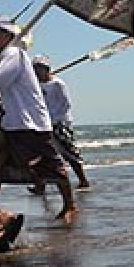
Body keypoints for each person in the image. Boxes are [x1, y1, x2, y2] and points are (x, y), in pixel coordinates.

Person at [0, 14, 77, 221]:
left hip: (31, 124)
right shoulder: (8, 55)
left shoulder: (14, 53)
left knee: (52, 166)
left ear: (6, 34)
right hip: (13, 123)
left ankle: (70, 205)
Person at [31, 55, 91, 189]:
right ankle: (41, 186)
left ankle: (83, 180)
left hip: (60, 122)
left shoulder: (58, 84)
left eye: (39, 69)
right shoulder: (36, 86)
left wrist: (54, 119)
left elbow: (66, 104)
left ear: (46, 69)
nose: (36, 72)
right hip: (44, 124)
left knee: (69, 152)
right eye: (34, 69)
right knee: (44, 154)